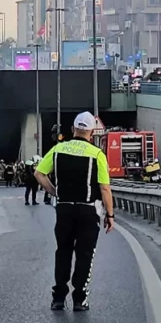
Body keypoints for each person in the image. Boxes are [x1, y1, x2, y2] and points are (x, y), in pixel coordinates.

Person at [34, 112, 116, 312]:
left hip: (64, 209)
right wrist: (110, 215)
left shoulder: (58, 149)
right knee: (84, 254)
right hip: (88, 210)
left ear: (72, 130)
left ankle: (59, 298)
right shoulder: (97, 154)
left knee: (63, 251)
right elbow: (105, 188)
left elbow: (39, 173)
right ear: (91, 132)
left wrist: (54, 191)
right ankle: (79, 299)